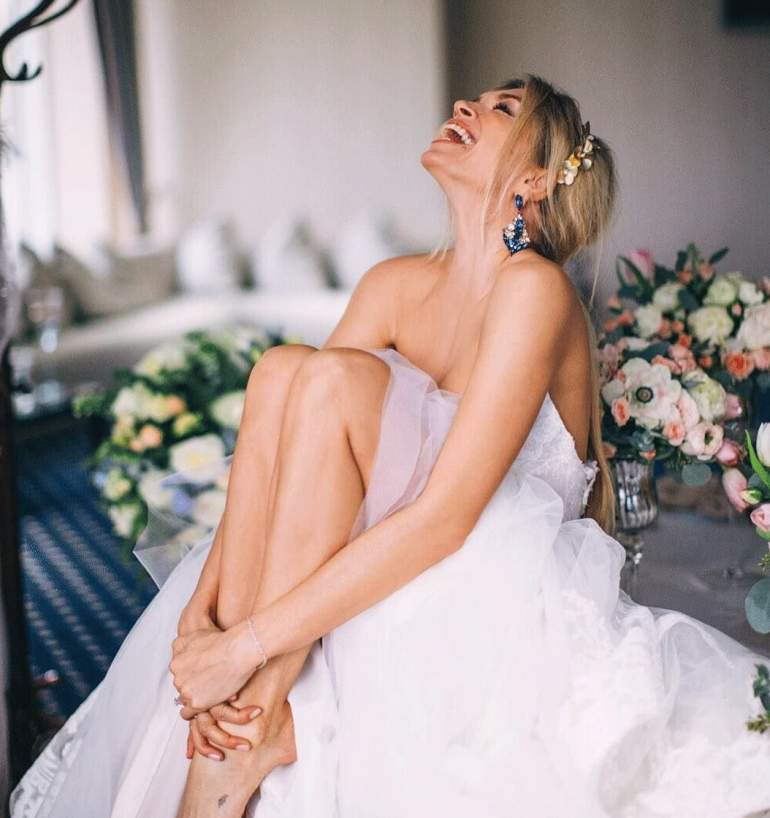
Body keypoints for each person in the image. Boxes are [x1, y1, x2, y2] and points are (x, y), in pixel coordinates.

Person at [10, 73, 770, 818]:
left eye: (502, 107)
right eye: (478, 98)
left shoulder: (534, 289)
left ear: (535, 180)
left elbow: (446, 519)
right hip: (367, 542)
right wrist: (199, 620)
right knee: (280, 371)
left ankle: (252, 719)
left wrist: (245, 648)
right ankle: (237, 717)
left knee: (331, 379)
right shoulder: (394, 285)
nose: (466, 104)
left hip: (481, 572)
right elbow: (283, 445)